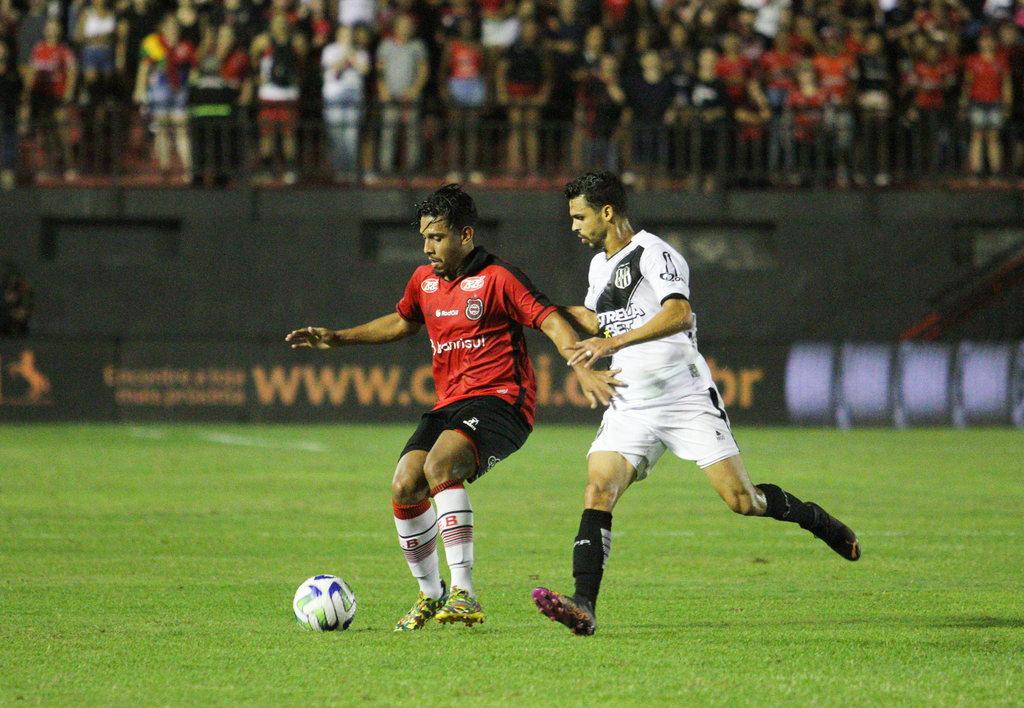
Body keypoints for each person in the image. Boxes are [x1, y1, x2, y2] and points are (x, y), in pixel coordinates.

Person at [531, 171, 860, 637]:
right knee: (597, 491)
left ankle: (813, 517)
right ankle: (584, 604)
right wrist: (534, 306)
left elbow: (678, 313)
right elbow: (596, 317)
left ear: (607, 212)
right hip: (631, 403)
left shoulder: (655, 253)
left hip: (684, 397)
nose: (573, 226)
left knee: (743, 501)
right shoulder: (598, 267)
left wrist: (612, 342)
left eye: (579, 216)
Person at [286, 183, 621, 631]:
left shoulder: (500, 277)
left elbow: (549, 318)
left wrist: (578, 362)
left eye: (437, 237)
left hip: (504, 401)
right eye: (424, 237)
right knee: (405, 483)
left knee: (441, 464)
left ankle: (464, 592)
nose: (427, 248)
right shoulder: (424, 281)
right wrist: (339, 337)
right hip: (451, 403)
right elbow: (403, 321)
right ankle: (431, 594)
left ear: (465, 236)